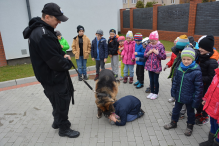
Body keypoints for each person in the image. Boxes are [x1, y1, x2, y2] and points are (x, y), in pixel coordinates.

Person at [23, 3, 80, 138]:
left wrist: (62, 54)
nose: (59, 22)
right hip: (53, 76)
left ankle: (57, 121)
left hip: (48, 76)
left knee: (56, 100)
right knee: (61, 101)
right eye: (57, 19)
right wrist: (67, 61)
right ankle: (64, 128)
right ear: (47, 17)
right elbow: (55, 62)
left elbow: (53, 51)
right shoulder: (43, 34)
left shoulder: (42, 30)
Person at [164, 47, 203, 136]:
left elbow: (199, 88)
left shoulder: (196, 71)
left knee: (190, 112)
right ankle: (173, 123)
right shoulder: (179, 68)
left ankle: (190, 126)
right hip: (179, 95)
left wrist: (196, 100)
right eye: (184, 59)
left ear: (193, 59)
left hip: (190, 98)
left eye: (188, 59)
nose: (186, 61)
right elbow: (175, 82)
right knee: (175, 110)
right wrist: (173, 93)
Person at [195, 35, 219, 125]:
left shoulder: (212, 62)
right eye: (199, 46)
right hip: (200, 84)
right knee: (198, 100)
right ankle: (198, 113)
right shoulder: (202, 56)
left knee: (204, 102)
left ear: (208, 49)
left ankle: (205, 117)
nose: (199, 49)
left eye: (202, 48)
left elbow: (211, 78)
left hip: (206, 86)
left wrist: (198, 78)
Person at [144, 30, 166, 100]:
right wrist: (148, 53)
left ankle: (156, 93)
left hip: (156, 67)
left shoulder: (160, 46)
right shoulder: (148, 46)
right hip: (149, 67)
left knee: (155, 80)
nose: (152, 42)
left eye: (154, 41)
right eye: (151, 41)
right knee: (151, 80)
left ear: (157, 39)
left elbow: (164, 57)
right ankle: (152, 92)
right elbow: (145, 55)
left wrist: (157, 53)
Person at [200, 68, 219, 146]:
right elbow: (210, 88)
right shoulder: (216, 75)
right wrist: (206, 98)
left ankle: (216, 142)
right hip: (213, 107)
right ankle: (210, 141)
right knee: (213, 123)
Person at [163, 37, 179, 103]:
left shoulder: (181, 53)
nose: (175, 45)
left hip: (178, 73)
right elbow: (171, 61)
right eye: (174, 43)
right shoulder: (173, 52)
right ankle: (173, 97)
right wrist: (167, 65)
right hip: (173, 72)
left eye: (176, 44)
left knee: (178, 86)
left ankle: (177, 99)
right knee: (173, 85)